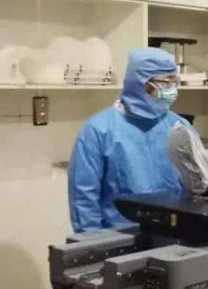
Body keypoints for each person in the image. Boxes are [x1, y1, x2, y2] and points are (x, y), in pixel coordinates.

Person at [68, 48, 190, 232]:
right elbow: (83, 197)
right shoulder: (99, 130)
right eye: (165, 83)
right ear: (140, 84)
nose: (171, 90)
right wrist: (93, 242)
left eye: (174, 82)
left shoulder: (179, 127)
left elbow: (195, 188)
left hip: (173, 234)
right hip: (119, 238)